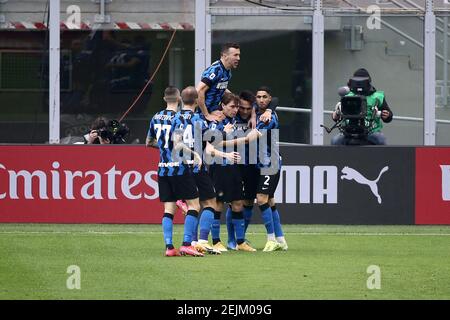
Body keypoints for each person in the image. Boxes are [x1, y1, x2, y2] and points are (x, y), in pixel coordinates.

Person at [172, 86, 240, 255]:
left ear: (181, 100)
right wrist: (227, 155)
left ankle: (190, 242)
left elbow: (175, 144)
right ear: (196, 101)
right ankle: (201, 240)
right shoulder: (200, 121)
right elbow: (209, 150)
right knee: (210, 203)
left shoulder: (176, 119)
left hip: (180, 168)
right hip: (197, 168)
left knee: (192, 206)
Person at [146, 86, 204, 257]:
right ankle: (186, 244)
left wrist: (165, 146)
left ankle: (169, 247)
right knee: (194, 205)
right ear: (179, 99)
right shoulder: (179, 118)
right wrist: (195, 155)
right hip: (179, 168)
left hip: (162, 170)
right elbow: (178, 144)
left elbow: (149, 142)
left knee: (168, 210)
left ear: (164, 99)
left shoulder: (155, 117)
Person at [207, 92, 260, 252]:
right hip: (220, 166)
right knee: (218, 204)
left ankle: (240, 242)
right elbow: (211, 145)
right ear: (222, 106)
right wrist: (242, 139)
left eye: (237, 106)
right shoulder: (217, 121)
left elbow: (258, 103)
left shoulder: (234, 121)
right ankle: (216, 241)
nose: (236, 109)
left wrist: (253, 114)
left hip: (234, 166)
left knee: (238, 203)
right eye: (232, 106)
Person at [196, 43, 273, 127]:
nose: (238, 58)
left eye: (239, 55)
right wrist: (207, 115)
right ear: (225, 56)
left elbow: (220, 88)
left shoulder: (227, 71)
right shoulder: (215, 70)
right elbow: (199, 90)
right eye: (235, 55)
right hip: (203, 118)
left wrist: (237, 100)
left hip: (215, 114)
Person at [254, 86, 288, 252]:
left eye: (264, 97)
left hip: (270, 163)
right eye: (258, 96)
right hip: (262, 162)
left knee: (261, 199)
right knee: (270, 200)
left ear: (269, 98)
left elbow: (254, 137)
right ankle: (281, 240)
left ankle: (271, 239)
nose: (261, 99)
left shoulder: (269, 117)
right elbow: (275, 100)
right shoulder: (257, 111)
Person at [226, 90, 259, 250]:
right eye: (242, 108)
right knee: (234, 203)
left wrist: (254, 114)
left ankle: (241, 239)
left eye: (249, 108)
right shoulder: (231, 116)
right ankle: (231, 240)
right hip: (235, 165)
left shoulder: (259, 115)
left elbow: (272, 103)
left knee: (248, 202)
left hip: (252, 165)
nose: (245, 111)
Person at [331, 68, 393, 145]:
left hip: (371, 131)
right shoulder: (347, 95)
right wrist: (335, 115)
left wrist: (387, 115)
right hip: (348, 132)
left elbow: (389, 116)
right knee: (335, 141)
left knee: (380, 140)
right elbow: (338, 112)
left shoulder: (377, 97)